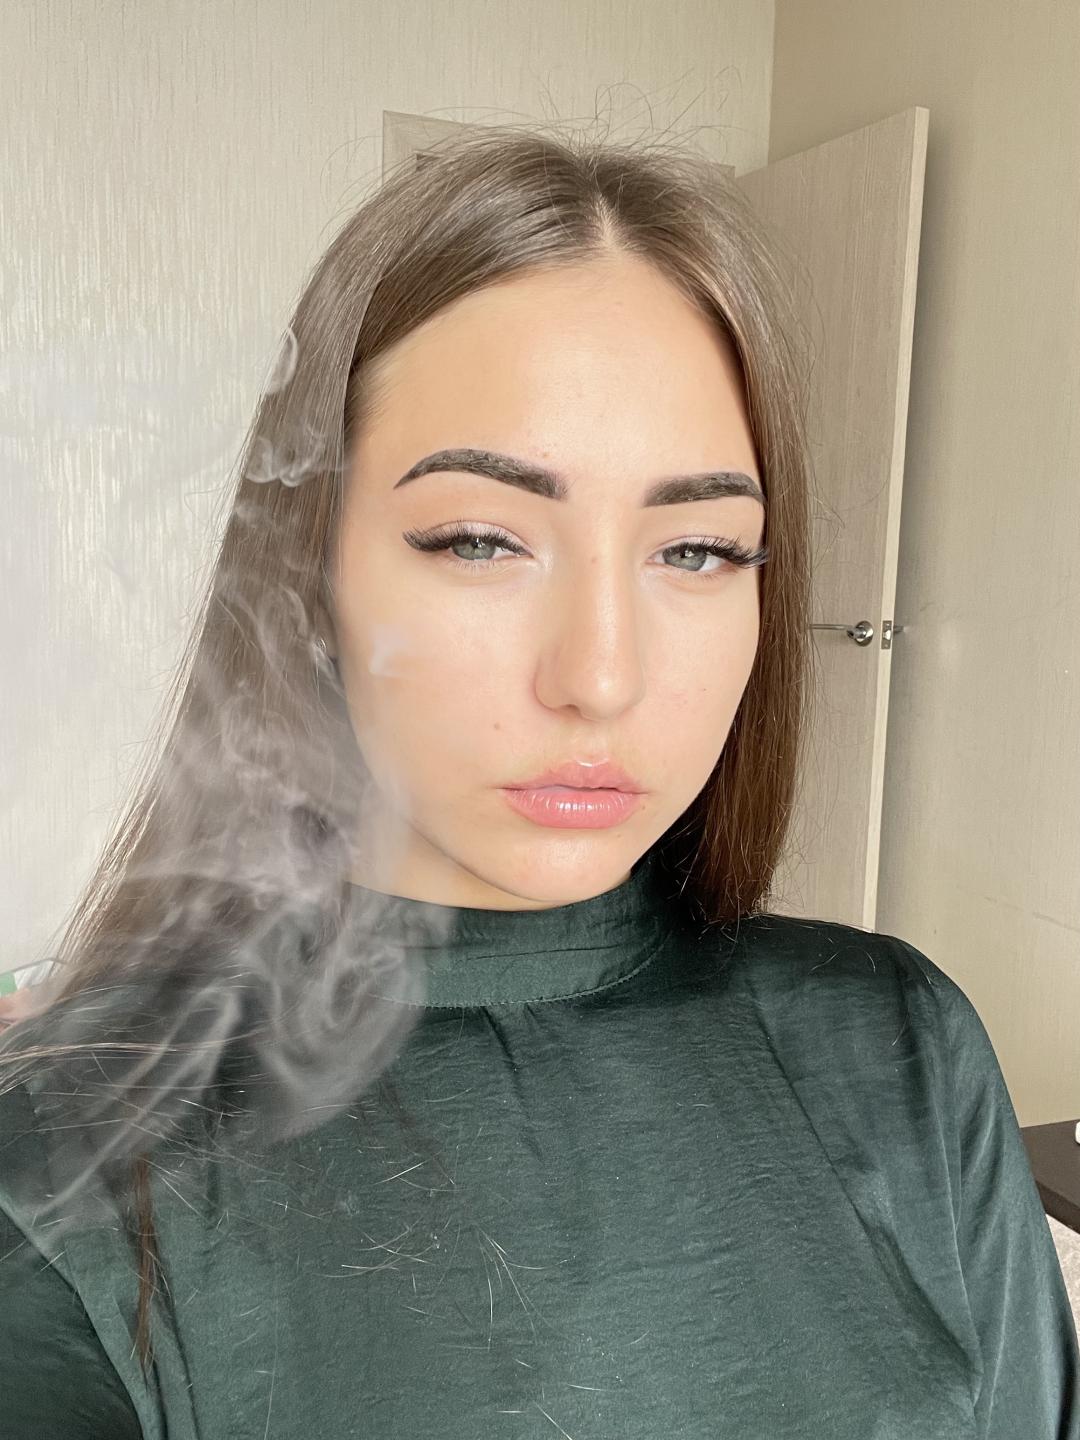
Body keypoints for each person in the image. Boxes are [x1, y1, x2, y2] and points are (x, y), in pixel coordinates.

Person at [0, 122, 1076, 1440]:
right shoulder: (63, 1173)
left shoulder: (900, 1043)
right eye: (480, 540)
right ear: (306, 571)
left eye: (696, 551)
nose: (602, 677)